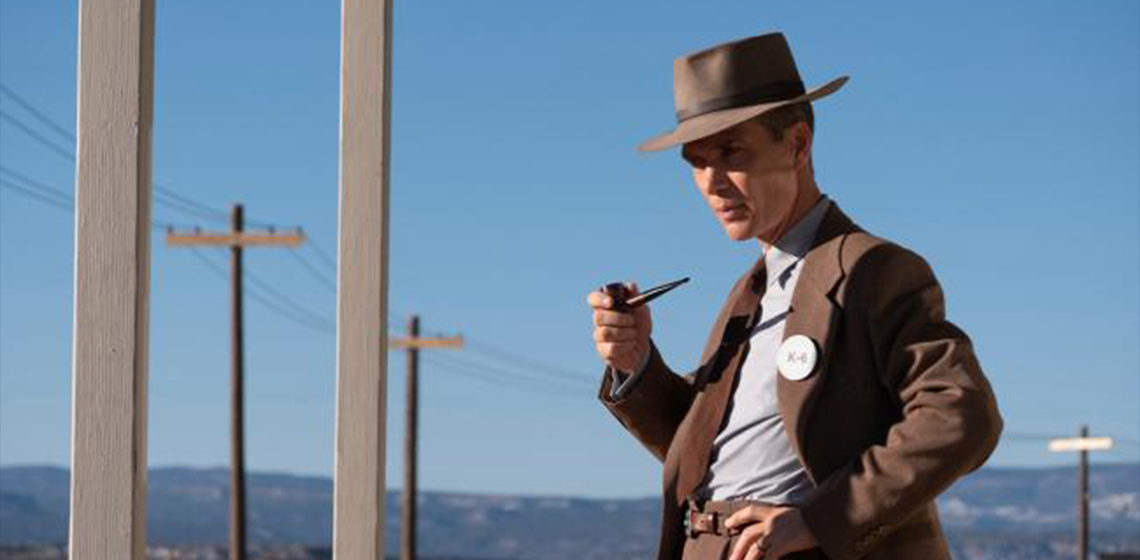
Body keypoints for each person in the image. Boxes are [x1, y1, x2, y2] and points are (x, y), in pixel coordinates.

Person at [587, 32, 1002, 560]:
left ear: (798, 144)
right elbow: (702, 458)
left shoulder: (871, 268)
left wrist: (820, 521)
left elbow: (963, 416)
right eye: (695, 161)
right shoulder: (750, 292)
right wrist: (637, 364)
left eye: (731, 151)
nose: (711, 181)